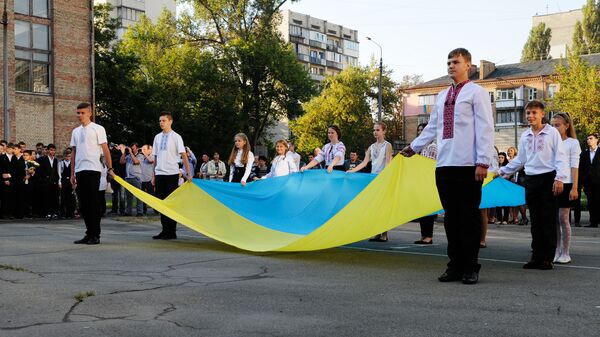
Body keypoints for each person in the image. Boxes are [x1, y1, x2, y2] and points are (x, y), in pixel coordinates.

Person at [400, 48, 494, 284]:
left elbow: (485, 128)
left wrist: (483, 161)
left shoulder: (477, 93)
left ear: (468, 66)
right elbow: (432, 128)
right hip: (444, 165)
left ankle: (471, 266)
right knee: (451, 219)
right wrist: (414, 147)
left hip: (468, 165)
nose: (451, 66)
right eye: (449, 62)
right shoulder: (442, 96)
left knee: (469, 218)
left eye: (456, 62)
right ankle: (455, 265)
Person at [498, 100, 568, 270]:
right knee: (535, 219)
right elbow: (521, 159)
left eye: (534, 113)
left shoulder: (552, 133)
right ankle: (536, 256)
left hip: (548, 178)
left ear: (542, 114)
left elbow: (560, 157)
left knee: (548, 219)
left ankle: (547, 258)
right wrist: (501, 171)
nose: (530, 116)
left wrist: (559, 178)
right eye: (528, 113)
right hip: (531, 179)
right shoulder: (525, 135)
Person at [70, 102, 113, 245]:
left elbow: (105, 149)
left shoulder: (98, 129)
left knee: (93, 203)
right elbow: (74, 152)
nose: (80, 115)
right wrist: (72, 173)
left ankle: (96, 234)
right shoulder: (75, 131)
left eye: (82, 113)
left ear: (90, 113)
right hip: (80, 170)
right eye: (78, 113)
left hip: (93, 169)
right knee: (84, 204)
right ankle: (88, 233)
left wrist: (110, 168)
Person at [347, 122, 393, 242]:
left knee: (383, 207)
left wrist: (386, 177)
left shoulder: (387, 145)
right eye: (374, 130)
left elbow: (388, 162)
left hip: (383, 179)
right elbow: (364, 162)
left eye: (378, 130)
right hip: (373, 179)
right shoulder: (372, 147)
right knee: (375, 207)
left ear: (383, 131)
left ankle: (384, 233)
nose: (375, 132)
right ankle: (377, 232)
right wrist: (352, 171)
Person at [151, 111, 192, 240]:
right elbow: (156, 156)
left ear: (170, 121)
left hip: (172, 173)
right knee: (161, 203)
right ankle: (164, 230)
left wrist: (188, 173)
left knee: (171, 203)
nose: (161, 123)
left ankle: (171, 231)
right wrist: (154, 174)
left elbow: (184, 155)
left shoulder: (176, 137)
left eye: (164, 120)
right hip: (160, 173)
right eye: (160, 121)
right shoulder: (157, 137)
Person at [550, 113, 580, 264]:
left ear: (566, 126)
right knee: (554, 218)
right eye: (553, 125)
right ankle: (556, 250)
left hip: (567, 183)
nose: (554, 128)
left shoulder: (572, 143)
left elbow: (575, 167)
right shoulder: (551, 141)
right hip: (553, 182)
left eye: (558, 125)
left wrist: (574, 188)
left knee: (563, 218)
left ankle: (565, 252)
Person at [412, 122, 438, 245]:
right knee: (421, 209)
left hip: (429, 180)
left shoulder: (432, 146)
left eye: (422, 130)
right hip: (420, 179)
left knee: (427, 210)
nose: (420, 132)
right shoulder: (419, 148)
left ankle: (428, 236)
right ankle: (424, 235)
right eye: (419, 130)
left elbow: (429, 163)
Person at [579, 133, 599, 228]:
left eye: (591, 138)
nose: (588, 140)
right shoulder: (584, 154)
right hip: (589, 183)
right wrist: (583, 181)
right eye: (587, 139)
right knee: (591, 202)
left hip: (599, 182)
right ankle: (593, 222)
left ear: (596, 140)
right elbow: (581, 168)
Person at [120, 143, 144, 216]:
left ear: (137, 148)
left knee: (139, 196)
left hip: (136, 178)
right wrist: (124, 152)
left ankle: (140, 212)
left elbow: (136, 162)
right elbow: (121, 162)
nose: (132, 150)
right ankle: (128, 212)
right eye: (131, 148)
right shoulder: (128, 156)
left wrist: (131, 153)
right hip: (128, 178)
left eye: (133, 148)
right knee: (128, 197)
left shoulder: (140, 155)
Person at [108, 143, 126, 215]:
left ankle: (122, 211)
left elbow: (124, 162)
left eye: (121, 146)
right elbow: (109, 158)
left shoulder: (125, 154)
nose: (118, 147)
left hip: (122, 177)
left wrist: (122, 151)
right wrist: (112, 149)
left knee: (122, 195)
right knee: (114, 194)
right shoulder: (114, 154)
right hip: (114, 176)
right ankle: (114, 209)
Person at [59, 150, 76, 218]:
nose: (68, 157)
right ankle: (63, 213)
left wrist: (75, 183)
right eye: (66, 156)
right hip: (63, 181)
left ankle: (70, 213)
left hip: (70, 181)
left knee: (70, 198)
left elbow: (74, 173)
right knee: (63, 198)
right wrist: (59, 182)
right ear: (64, 156)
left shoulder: (73, 163)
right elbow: (59, 173)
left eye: (69, 156)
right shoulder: (61, 163)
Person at [495, 152, 510, 225]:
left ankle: (505, 219)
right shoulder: (495, 166)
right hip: (497, 186)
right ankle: (499, 219)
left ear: (505, 158)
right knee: (498, 202)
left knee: (505, 203)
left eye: (502, 157)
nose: (500, 159)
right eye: (499, 157)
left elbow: (508, 176)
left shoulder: (507, 166)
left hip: (505, 186)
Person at [140, 144, 155, 215]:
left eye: (145, 149)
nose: (142, 151)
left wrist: (144, 153)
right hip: (141, 180)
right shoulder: (142, 157)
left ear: (149, 150)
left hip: (149, 179)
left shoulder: (152, 156)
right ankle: (144, 210)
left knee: (152, 196)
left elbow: (151, 161)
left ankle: (157, 210)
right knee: (142, 197)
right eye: (142, 150)